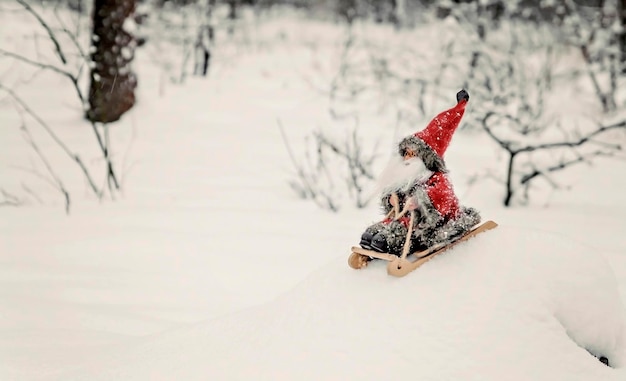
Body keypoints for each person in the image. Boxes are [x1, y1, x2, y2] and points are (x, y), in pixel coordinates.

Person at [359, 89, 481, 255]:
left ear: (426, 159)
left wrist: (419, 200)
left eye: (412, 154)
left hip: (426, 225)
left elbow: (442, 200)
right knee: (375, 232)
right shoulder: (409, 177)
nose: (407, 159)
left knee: (397, 234)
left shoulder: (437, 178)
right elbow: (398, 196)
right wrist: (392, 198)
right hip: (403, 219)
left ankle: (393, 244)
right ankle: (378, 239)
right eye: (406, 154)